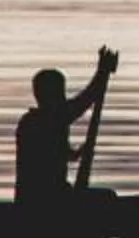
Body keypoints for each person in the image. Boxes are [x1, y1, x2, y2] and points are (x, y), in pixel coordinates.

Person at [15, 47, 118, 214]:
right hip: (48, 203)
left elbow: (54, 154)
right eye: (60, 92)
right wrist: (101, 72)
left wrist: (78, 154)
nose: (63, 97)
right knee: (108, 197)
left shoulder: (30, 123)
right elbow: (85, 100)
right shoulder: (48, 119)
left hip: (36, 200)